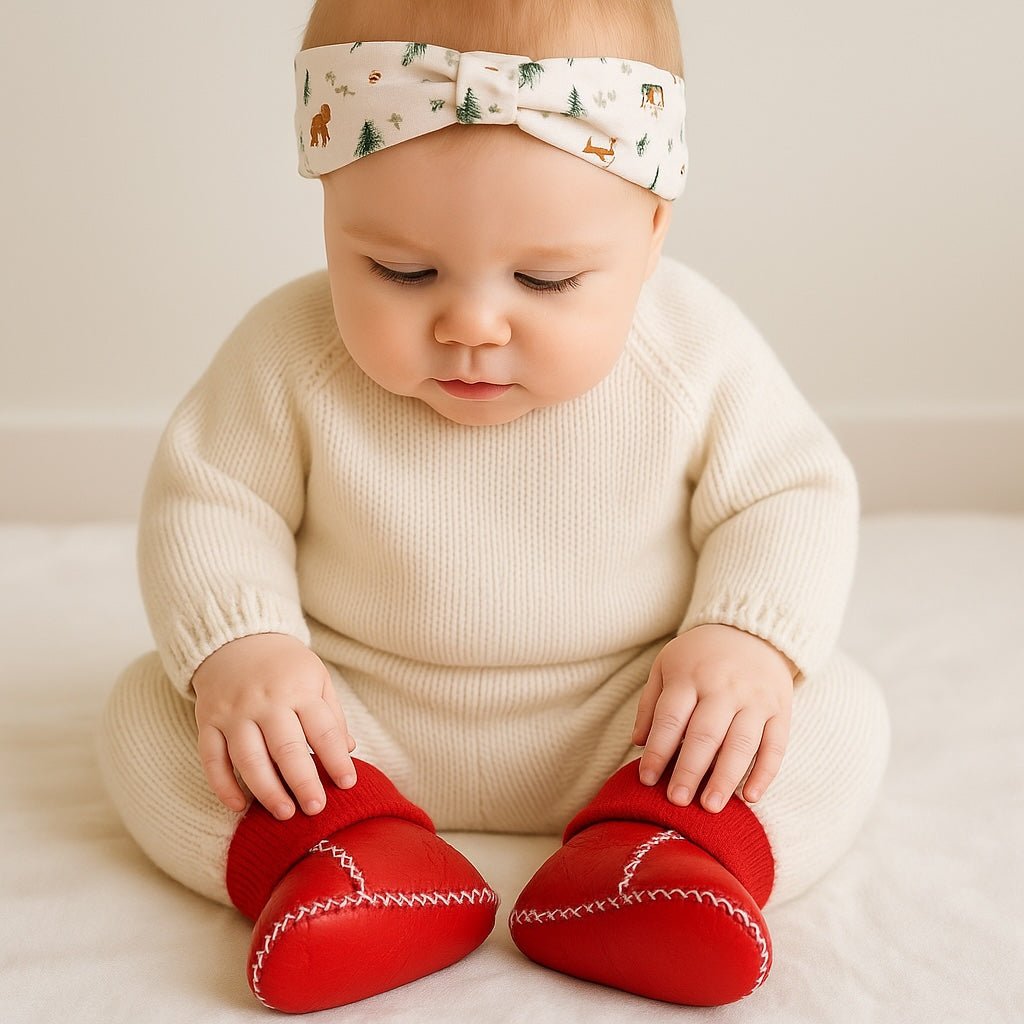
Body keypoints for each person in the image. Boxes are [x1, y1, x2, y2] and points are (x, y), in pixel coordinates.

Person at [98, 0, 890, 1014]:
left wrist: (744, 640)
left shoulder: (696, 351)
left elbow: (790, 493)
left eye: (547, 279)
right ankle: (346, 865)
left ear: (650, 231)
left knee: (836, 714)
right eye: (401, 269)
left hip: (638, 725)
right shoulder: (287, 353)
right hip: (342, 733)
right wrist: (242, 651)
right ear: (330, 209)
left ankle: (660, 858)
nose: (471, 323)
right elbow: (211, 501)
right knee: (146, 716)